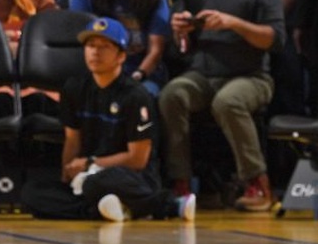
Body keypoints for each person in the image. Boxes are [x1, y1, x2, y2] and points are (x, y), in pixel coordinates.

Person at [159, 0, 286, 212]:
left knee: (228, 102)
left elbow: (276, 39)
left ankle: (257, 182)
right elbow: (181, 47)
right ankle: (181, 182)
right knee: (172, 95)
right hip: (204, 72)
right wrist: (180, 29)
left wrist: (233, 23)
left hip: (251, 74)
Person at [20, 16, 192, 222]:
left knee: (97, 183)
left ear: (121, 56)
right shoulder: (75, 88)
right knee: (31, 194)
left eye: (104, 46)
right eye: (91, 45)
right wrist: (69, 172)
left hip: (129, 176)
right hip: (87, 175)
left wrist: (91, 163)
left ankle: (169, 204)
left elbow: (137, 159)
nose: (95, 52)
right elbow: (73, 140)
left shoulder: (135, 95)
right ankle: (107, 210)